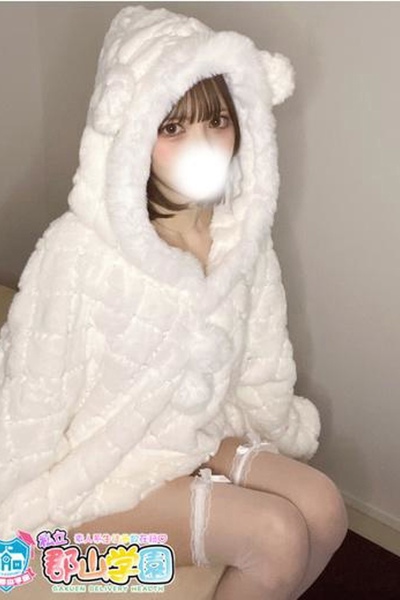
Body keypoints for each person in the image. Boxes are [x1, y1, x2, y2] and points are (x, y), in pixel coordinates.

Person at [0, 6, 348, 599]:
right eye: (172, 127)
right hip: (98, 468)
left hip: (189, 439)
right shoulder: (76, 252)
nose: (203, 145)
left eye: (217, 120)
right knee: (277, 535)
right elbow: (27, 405)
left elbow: (260, 365)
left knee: (324, 505)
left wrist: (279, 430)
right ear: (134, 132)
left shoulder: (242, 242)